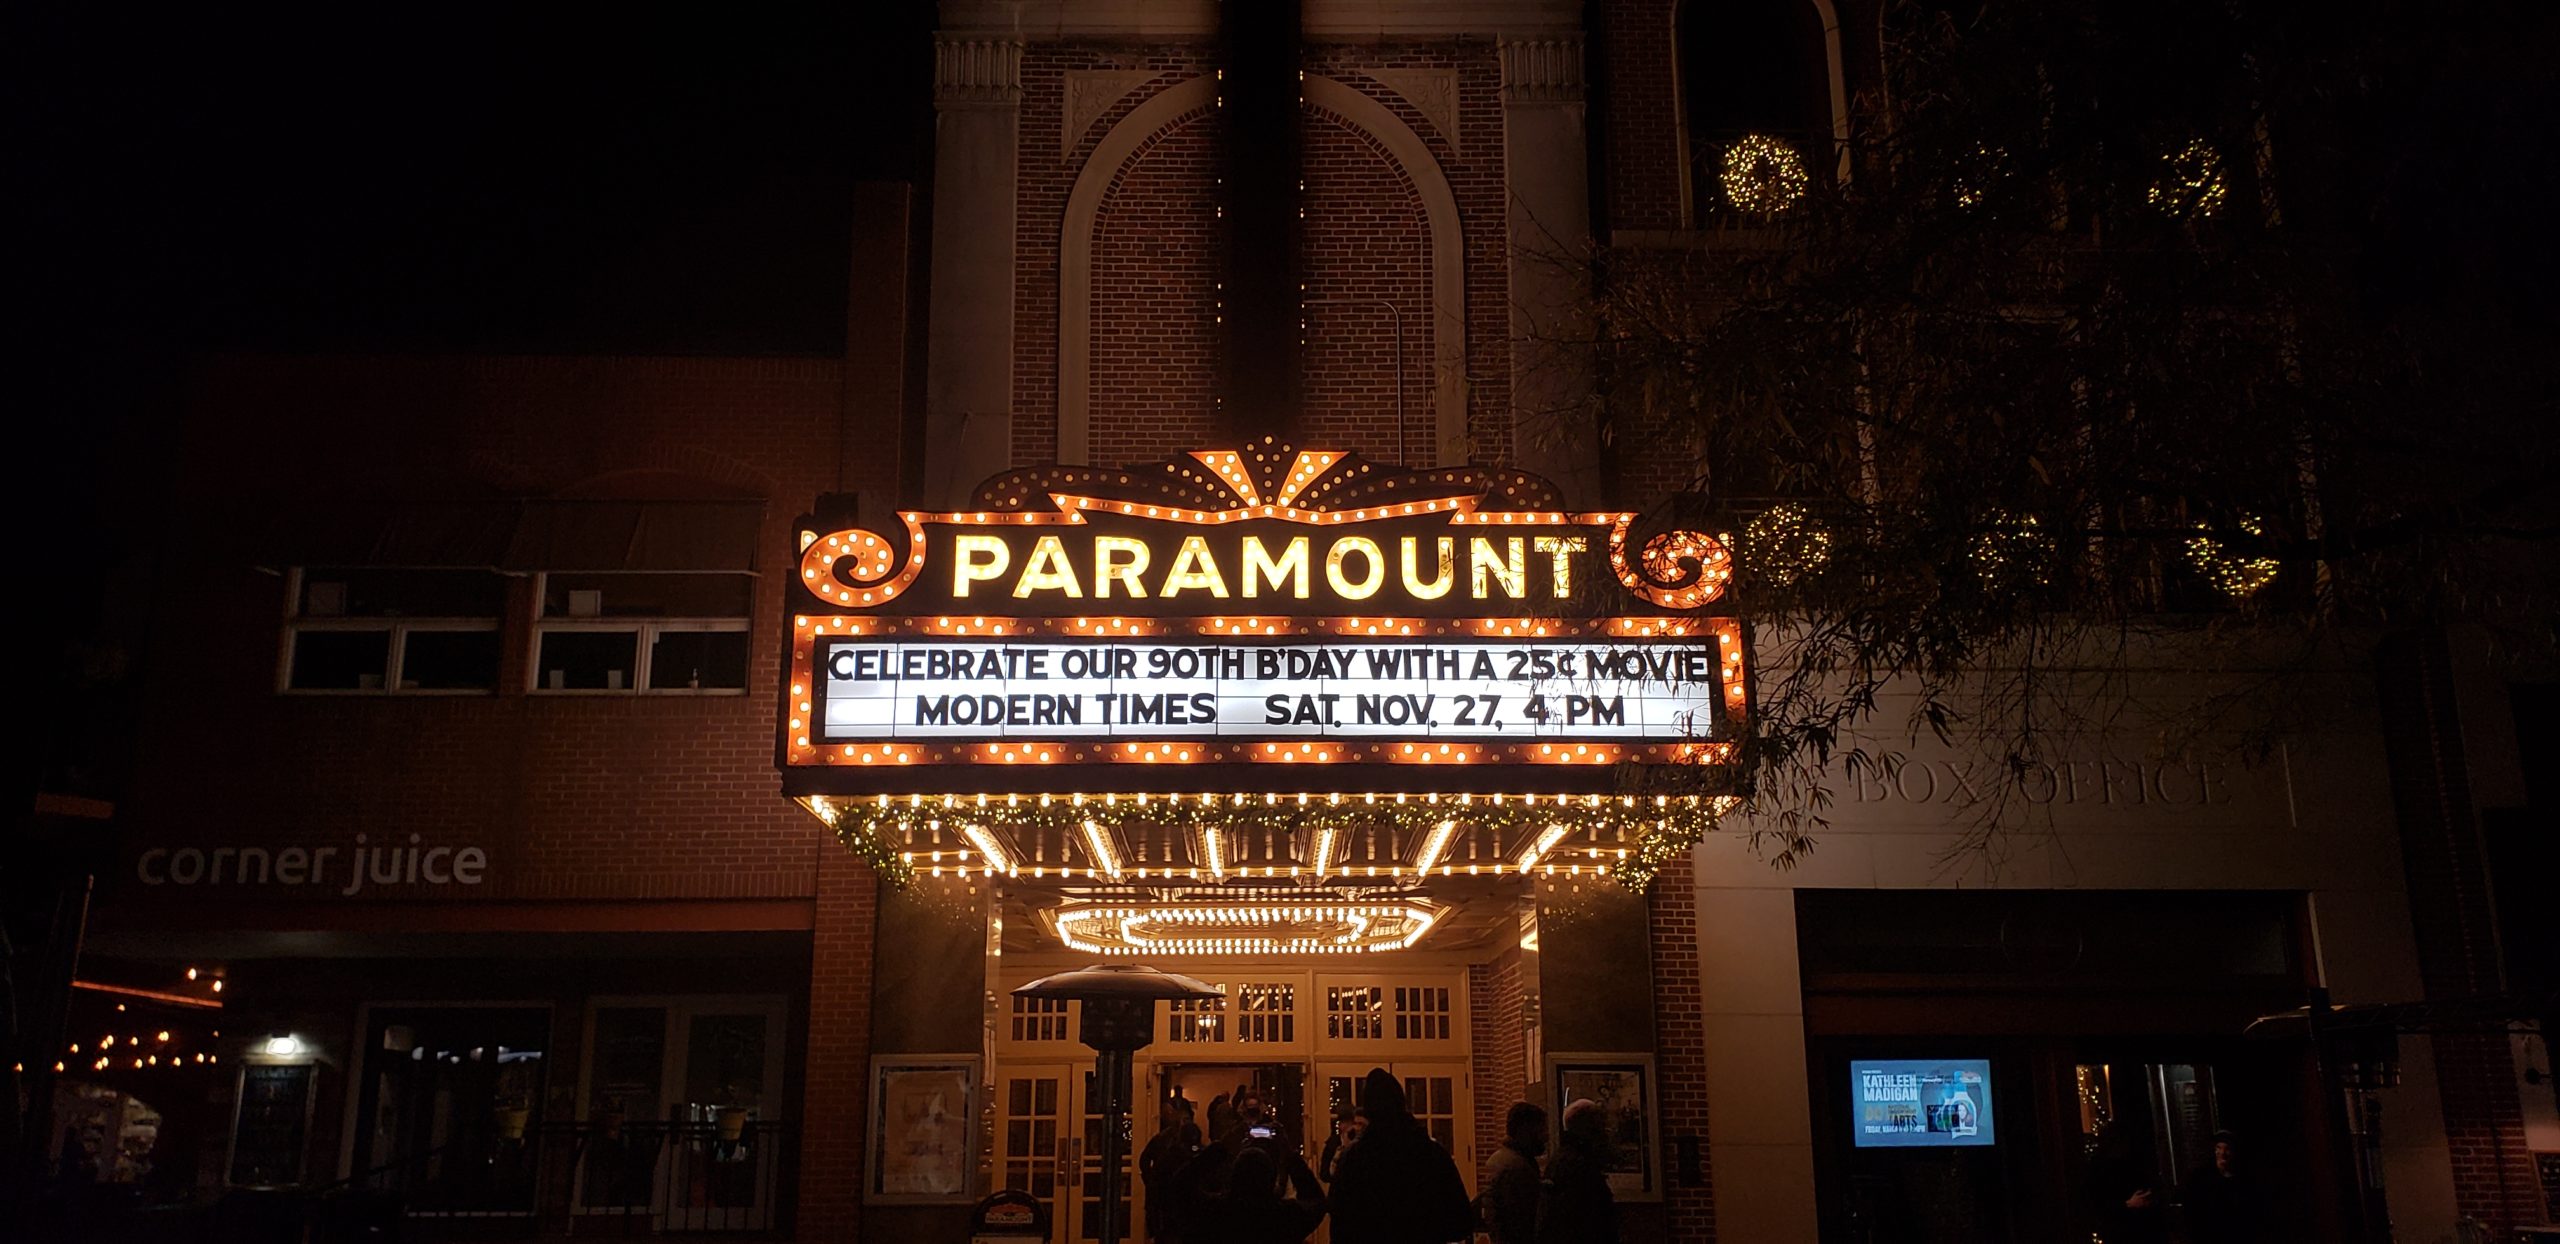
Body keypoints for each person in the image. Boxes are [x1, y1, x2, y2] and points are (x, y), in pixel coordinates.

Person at [1327, 1069, 1473, 1244]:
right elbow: (1461, 1222)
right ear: (1402, 1103)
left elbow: (1339, 1224)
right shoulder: (1431, 1154)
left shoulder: (1354, 1159)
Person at [1192, 1140, 1328, 1244]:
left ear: (1234, 1176)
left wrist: (1209, 1156)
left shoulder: (1216, 1212)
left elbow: (1180, 1189)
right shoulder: (1284, 1216)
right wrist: (1291, 1157)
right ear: (1271, 1178)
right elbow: (1316, 1202)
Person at [1537, 1099, 1617, 1244]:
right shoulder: (1579, 1165)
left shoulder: (1564, 1160)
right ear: (1589, 1129)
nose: (1606, 1133)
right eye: (1601, 1127)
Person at [2082, 1121, 2169, 1244]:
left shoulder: (2131, 1164)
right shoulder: (2100, 1169)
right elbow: (2098, 1205)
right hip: (2122, 1230)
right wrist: (2127, 1204)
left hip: (2139, 1228)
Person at [1478, 1102, 1547, 1244]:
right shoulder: (1517, 1169)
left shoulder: (1500, 1160)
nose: (1546, 1136)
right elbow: (1524, 1223)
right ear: (1525, 1130)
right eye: (1540, 1130)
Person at [2181, 1130, 2260, 1244]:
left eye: (2227, 1148)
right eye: (2218, 1147)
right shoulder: (2201, 1178)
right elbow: (2192, 1211)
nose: (2222, 1153)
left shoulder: (2244, 1180)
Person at [1140, 1100, 1199, 1243]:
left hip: (1167, 1198)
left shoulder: (1164, 1140)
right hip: (1173, 1198)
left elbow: (1144, 1161)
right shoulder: (1167, 1141)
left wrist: (1151, 1181)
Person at [1318, 1104, 1365, 1184]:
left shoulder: (1363, 1143)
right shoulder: (1333, 1143)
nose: (1349, 1126)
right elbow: (1324, 1174)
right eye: (1344, 1122)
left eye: (1352, 1123)